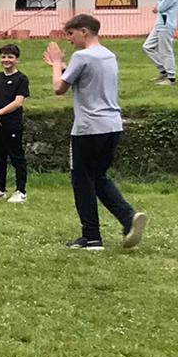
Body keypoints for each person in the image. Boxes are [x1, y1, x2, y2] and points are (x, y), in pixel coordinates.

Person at [44, 14, 145, 251]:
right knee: (97, 177)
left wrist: (57, 64)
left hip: (88, 128)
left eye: (71, 34)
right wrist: (64, 68)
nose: (69, 39)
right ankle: (128, 218)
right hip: (112, 126)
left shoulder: (82, 56)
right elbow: (87, 78)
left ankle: (91, 237)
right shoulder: (109, 55)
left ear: (84, 31)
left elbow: (59, 88)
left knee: (82, 180)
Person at [0, 43, 30, 202]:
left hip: (12, 124)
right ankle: (0, 189)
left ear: (17, 60)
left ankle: (21, 191)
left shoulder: (21, 79)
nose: (6, 60)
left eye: (10, 57)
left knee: (16, 157)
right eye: (3, 57)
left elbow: (18, 102)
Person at [143, 0, 177, 84]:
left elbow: (162, 8)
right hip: (159, 24)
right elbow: (159, 7)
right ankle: (164, 70)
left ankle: (171, 77)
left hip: (166, 25)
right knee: (147, 46)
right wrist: (157, 5)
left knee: (165, 51)